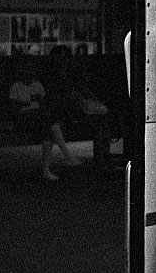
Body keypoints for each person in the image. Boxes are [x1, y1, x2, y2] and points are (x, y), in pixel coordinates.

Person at [8, 56, 82, 182]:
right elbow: (13, 108)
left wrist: (39, 100)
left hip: (40, 116)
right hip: (24, 116)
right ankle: (66, 156)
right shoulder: (16, 86)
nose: (29, 73)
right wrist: (25, 103)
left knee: (49, 131)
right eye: (26, 70)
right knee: (51, 124)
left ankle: (47, 169)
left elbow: (44, 104)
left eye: (31, 70)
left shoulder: (37, 84)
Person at [44, 45, 112, 176]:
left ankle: (102, 161)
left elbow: (85, 91)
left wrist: (89, 99)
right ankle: (101, 162)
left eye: (65, 57)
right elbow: (50, 97)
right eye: (59, 57)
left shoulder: (73, 75)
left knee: (100, 122)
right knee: (97, 120)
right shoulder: (50, 76)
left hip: (79, 109)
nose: (62, 60)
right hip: (63, 110)